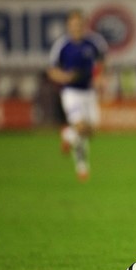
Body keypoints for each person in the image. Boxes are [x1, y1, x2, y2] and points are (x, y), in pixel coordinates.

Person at [47, 9, 108, 181]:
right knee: (81, 128)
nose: (76, 28)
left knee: (92, 130)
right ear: (68, 26)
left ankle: (68, 134)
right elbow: (51, 71)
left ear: (84, 25)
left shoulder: (94, 42)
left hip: (89, 92)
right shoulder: (62, 46)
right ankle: (82, 167)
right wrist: (65, 77)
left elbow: (103, 61)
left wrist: (100, 77)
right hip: (71, 92)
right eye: (73, 25)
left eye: (79, 24)